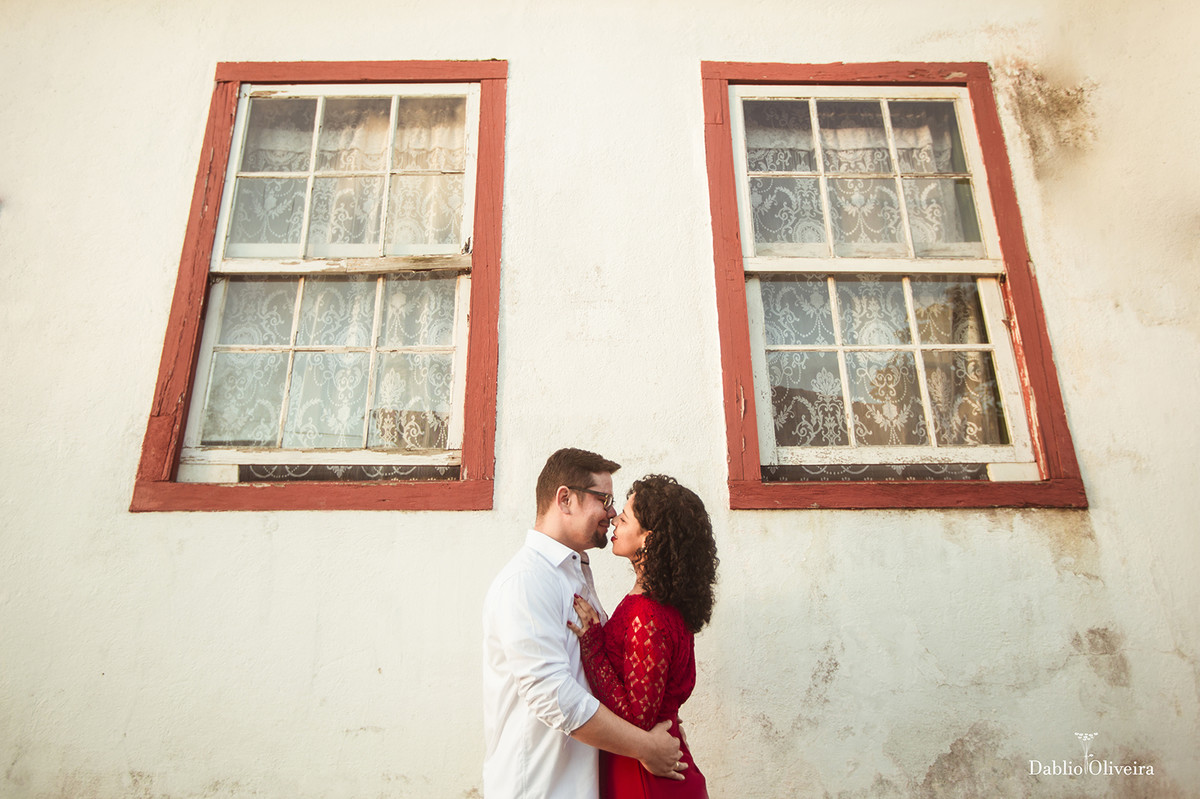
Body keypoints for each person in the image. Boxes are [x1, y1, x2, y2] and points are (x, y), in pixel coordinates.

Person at [482, 449, 686, 799]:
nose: (611, 512)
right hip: (541, 788)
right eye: (603, 499)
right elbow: (553, 694)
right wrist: (645, 747)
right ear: (565, 499)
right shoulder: (527, 580)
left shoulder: (574, 572)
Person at [567, 474, 719, 799]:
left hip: (646, 777)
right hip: (656, 766)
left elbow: (638, 719)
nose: (614, 524)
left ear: (649, 538)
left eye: (623, 518)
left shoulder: (647, 613)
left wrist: (592, 648)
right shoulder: (662, 604)